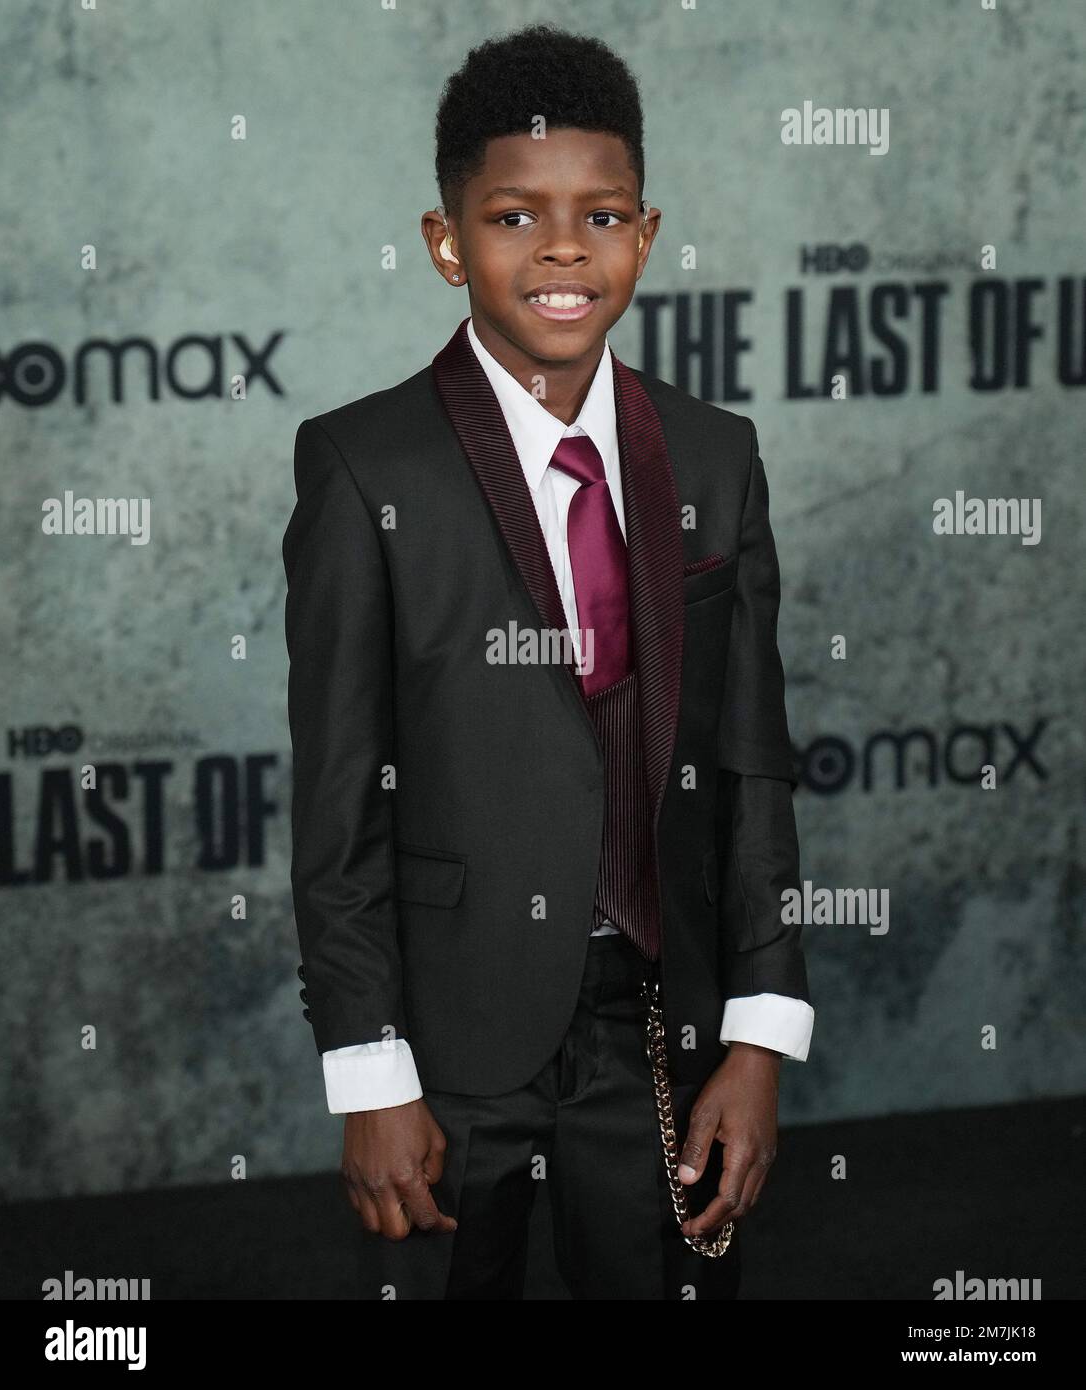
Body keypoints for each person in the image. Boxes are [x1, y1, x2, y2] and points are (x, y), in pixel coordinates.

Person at [282, 21, 813, 1300]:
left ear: (644, 231)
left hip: (659, 1030)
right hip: (453, 1051)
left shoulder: (714, 454)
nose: (562, 247)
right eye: (514, 216)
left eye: (600, 213)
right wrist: (371, 1071)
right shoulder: (367, 468)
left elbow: (748, 762)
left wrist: (754, 1037)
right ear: (444, 242)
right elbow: (339, 802)